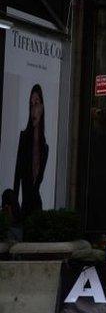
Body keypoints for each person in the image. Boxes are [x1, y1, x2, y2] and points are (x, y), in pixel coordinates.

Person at [13, 85, 48, 218]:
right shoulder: (24, 137)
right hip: (24, 209)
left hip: (37, 209)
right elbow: (17, 176)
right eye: (31, 104)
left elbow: (37, 183)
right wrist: (14, 207)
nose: (34, 109)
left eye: (37, 103)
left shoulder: (45, 148)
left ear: (42, 108)